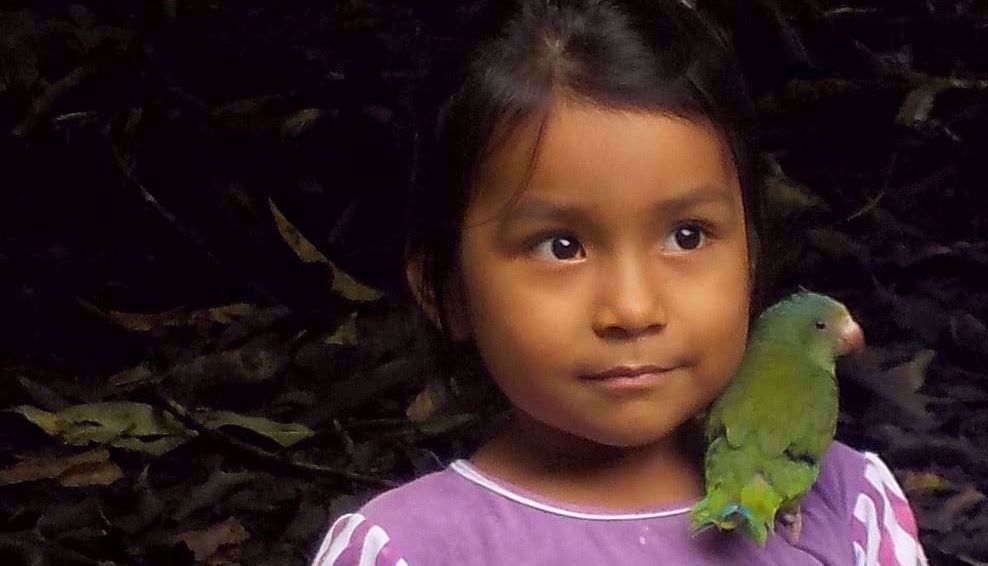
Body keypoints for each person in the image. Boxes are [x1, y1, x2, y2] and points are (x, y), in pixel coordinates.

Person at [311, 0, 927, 564]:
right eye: (562, 246)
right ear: (446, 292)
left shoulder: (846, 512)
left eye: (686, 236)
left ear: (752, 257)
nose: (633, 309)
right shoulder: (413, 552)